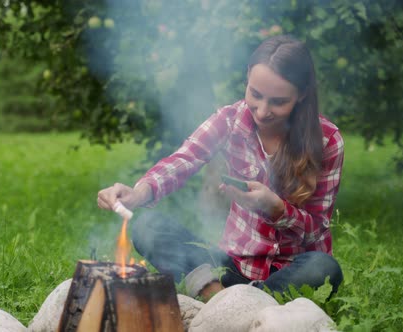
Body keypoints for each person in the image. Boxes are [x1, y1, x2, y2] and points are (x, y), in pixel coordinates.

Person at [97, 35, 344, 301]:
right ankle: (226, 299)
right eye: (255, 94)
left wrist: (277, 208)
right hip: (232, 267)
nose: (261, 111)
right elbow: (183, 159)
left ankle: (230, 302)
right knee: (148, 226)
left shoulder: (327, 140)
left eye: (278, 101)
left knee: (324, 268)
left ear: (302, 94)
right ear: (248, 77)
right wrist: (139, 193)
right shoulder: (230, 120)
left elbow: (315, 229)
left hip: (290, 270)